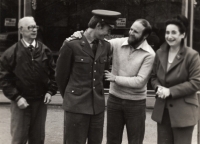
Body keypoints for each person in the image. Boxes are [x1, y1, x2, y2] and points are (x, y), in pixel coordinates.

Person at [69, 18, 155, 144]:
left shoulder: (149, 54)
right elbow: (97, 40)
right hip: (114, 100)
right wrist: (81, 35)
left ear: (145, 35)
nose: (131, 33)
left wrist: (115, 78)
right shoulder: (117, 43)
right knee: (112, 140)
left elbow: (140, 82)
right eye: (131, 29)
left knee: (135, 140)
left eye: (136, 32)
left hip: (136, 104)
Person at [55, 9, 121, 144]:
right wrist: (72, 97)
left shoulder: (105, 46)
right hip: (76, 106)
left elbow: (101, 73)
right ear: (98, 26)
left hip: (97, 107)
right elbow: (61, 77)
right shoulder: (71, 45)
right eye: (108, 30)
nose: (109, 34)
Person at [0, 16, 57, 144]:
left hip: (40, 102)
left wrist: (50, 91)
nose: (34, 30)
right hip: (21, 102)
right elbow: (4, 80)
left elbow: (54, 73)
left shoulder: (45, 51)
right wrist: (17, 97)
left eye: (35, 27)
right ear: (21, 30)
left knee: (38, 139)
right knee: (19, 138)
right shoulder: (11, 53)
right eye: (29, 27)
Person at [151, 15, 200, 144]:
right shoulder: (159, 53)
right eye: (167, 32)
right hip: (163, 111)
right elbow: (153, 77)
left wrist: (170, 91)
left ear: (183, 35)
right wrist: (157, 87)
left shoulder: (192, 55)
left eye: (174, 32)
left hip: (184, 112)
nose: (169, 36)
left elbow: (196, 82)